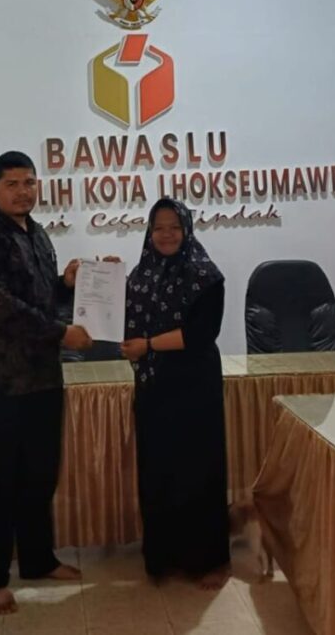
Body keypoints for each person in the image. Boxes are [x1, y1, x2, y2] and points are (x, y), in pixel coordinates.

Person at [0, 150, 93, 615]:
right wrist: (61, 333)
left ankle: (37, 559)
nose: (23, 192)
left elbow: (37, 295)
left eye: (29, 183)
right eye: (12, 184)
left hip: (42, 378)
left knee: (39, 476)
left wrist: (65, 284)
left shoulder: (38, 235)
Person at [120, 198, 231, 590]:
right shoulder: (139, 276)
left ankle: (209, 560)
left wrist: (148, 344)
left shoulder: (206, 276)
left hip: (193, 386)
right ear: (149, 232)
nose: (166, 235)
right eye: (158, 228)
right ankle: (163, 558)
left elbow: (201, 334)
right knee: (159, 471)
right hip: (154, 388)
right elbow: (119, 319)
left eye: (174, 227)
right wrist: (101, 279)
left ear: (187, 230)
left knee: (199, 472)